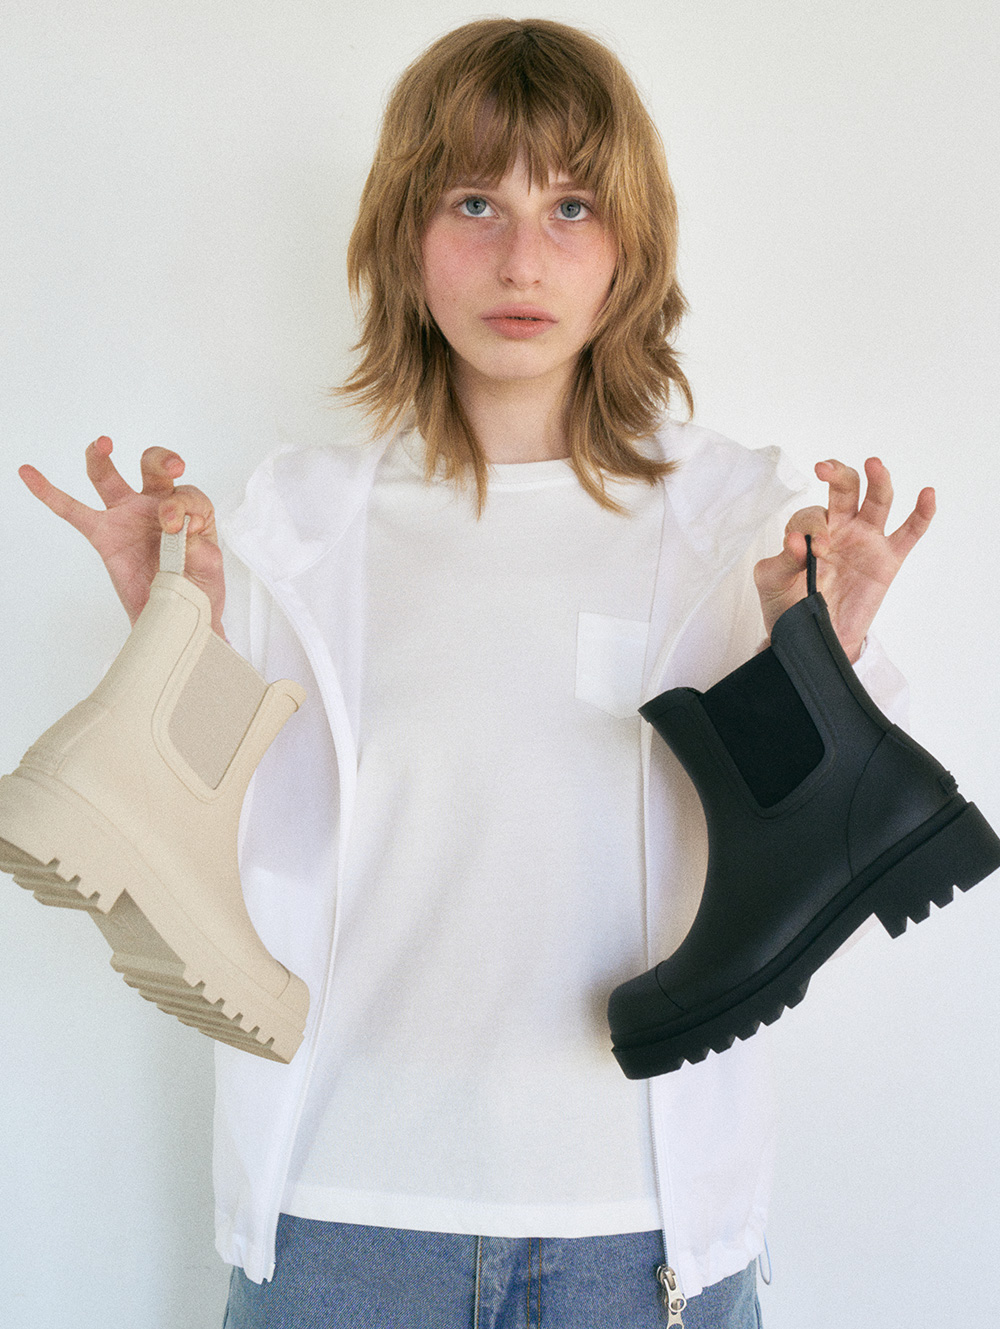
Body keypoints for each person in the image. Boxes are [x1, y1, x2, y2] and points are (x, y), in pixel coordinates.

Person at [18, 18, 935, 1328]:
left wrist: (830, 641)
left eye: (571, 206)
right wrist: (173, 631)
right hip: (343, 1210)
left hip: (637, 1224)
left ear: (630, 248)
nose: (522, 258)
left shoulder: (730, 518)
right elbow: (247, 828)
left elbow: (808, 843)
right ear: (406, 235)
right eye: (473, 202)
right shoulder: (300, 520)